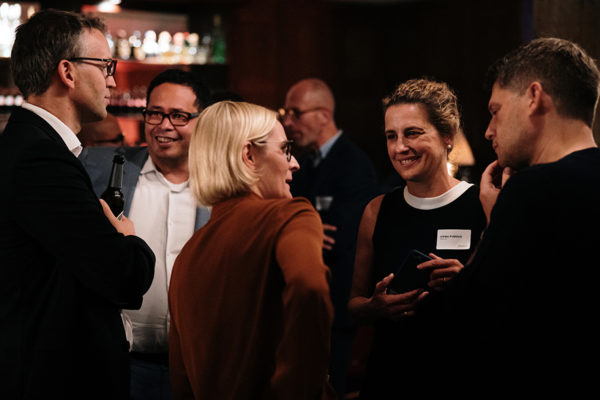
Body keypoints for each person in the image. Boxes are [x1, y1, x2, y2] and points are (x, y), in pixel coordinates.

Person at [418, 38, 600, 395]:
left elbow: (469, 319)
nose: (488, 130)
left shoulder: (532, 190)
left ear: (534, 97)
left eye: (496, 110)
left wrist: (493, 223)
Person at [0, 9, 155, 399]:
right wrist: (127, 238)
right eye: (104, 66)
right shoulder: (41, 158)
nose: (112, 80)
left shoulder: (31, 144)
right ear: (67, 73)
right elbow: (123, 275)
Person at [168, 101, 335, 399]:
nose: (294, 163)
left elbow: (181, 378)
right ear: (248, 155)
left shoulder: (187, 256)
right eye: (285, 149)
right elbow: (310, 288)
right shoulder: (290, 215)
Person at [348, 78, 487, 398]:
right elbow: (353, 305)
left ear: (447, 136)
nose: (399, 147)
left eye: (412, 133)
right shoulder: (378, 210)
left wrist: (466, 282)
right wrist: (376, 306)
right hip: (390, 375)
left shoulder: (482, 204)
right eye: (391, 136)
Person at [80, 68, 211, 400]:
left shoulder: (219, 188)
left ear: (202, 121)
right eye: (155, 113)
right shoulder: (103, 170)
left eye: (179, 116)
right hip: (119, 363)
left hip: (197, 367)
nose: (164, 125)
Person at [281, 78, 379, 395]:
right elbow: (284, 214)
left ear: (323, 114)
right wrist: (304, 228)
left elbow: (336, 237)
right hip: (302, 304)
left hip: (335, 305)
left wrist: (296, 228)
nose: (287, 121)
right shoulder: (305, 162)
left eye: (296, 113)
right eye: (286, 112)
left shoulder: (354, 163)